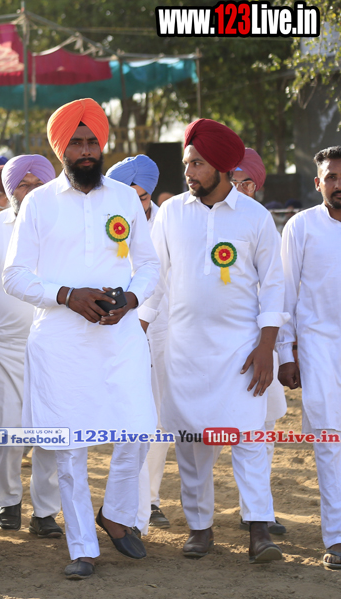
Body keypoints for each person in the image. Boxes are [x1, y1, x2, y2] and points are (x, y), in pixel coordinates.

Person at [3, 99, 159, 580]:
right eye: (77, 143)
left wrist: (129, 299)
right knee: (70, 447)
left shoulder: (125, 198)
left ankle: (116, 512)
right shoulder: (38, 202)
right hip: (61, 342)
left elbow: (149, 265)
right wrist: (66, 295)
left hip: (120, 337)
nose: (87, 150)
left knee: (138, 429)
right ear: (61, 148)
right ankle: (82, 546)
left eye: (93, 142)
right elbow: (14, 276)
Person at [143, 119, 286, 564]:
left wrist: (267, 347)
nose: (188, 172)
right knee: (192, 445)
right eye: (188, 163)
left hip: (242, 352)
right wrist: (137, 332)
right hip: (184, 351)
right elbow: (154, 281)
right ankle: (200, 528)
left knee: (250, 440)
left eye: (198, 164)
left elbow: (274, 286)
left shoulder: (255, 216)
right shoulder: (171, 213)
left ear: (223, 167)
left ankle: (259, 530)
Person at [0, 154, 63, 539]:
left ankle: (45, 511)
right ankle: (8, 500)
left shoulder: (65, 227)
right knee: (6, 429)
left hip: (56, 344)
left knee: (51, 432)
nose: (29, 192)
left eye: (37, 185)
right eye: (22, 185)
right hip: (3, 347)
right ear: (10, 191)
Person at [279, 146, 341, 570]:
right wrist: (286, 351)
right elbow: (286, 293)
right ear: (318, 183)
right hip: (319, 348)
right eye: (331, 177)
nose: (338, 184)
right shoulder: (301, 226)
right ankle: (336, 537)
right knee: (329, 440)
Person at [106, 154, 174, 532]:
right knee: (120, 420)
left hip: (156, 332)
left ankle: (147, 502)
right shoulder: (105, 218)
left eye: (144, 197)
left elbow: (157, 282)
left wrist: (141, 325)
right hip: (107, 331)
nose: (137, 203)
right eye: (129, 195)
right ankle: (124, 506)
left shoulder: (166, 222)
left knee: (154, 420)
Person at [229, 148, 289, 536]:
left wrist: (277, 346)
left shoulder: (265, 224)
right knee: (210, 429)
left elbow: (277, 290)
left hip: (264, 343)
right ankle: (201, 521)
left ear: (257, 186)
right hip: (222, 343)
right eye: (232, 181)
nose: (239, 189)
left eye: (246, 183)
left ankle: (257, 510)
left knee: (263, 426)